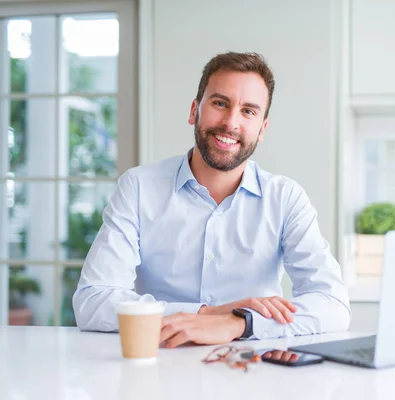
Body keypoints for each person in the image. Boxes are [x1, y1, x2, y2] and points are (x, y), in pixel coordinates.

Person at [73, 52, 351, 348]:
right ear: (195, 110)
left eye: (248, 111)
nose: (231, 122)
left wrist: (238, 322)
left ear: (262, 130)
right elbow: (93, 301)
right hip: (158, 367)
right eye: (220, 103)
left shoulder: (285, 199)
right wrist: (207, 315)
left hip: (253, 374)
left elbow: (332, 304)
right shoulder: (139, 187)